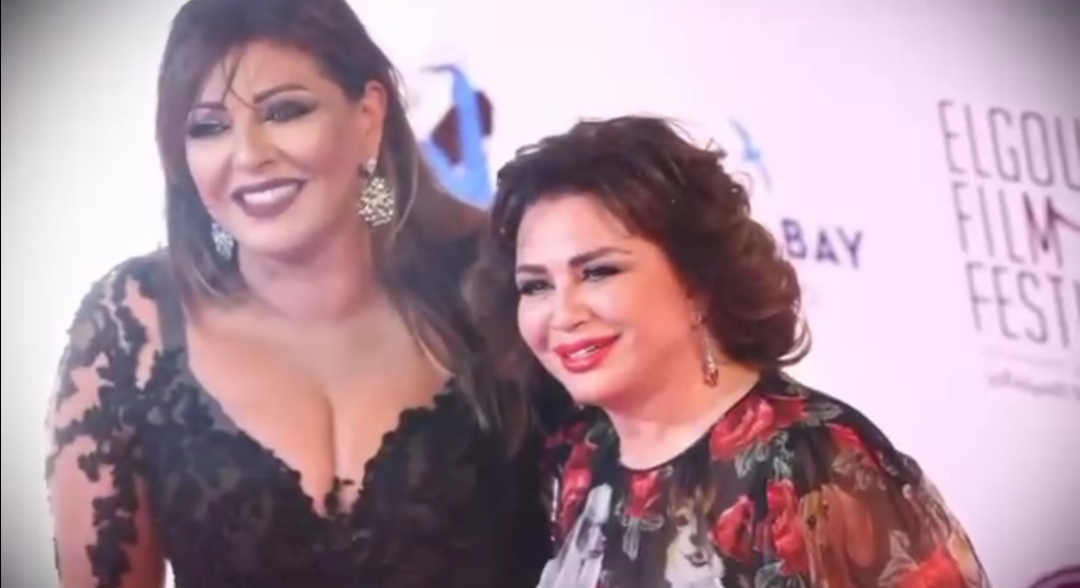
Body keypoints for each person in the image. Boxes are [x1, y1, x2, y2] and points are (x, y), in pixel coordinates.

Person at [43, 0, 551, 586]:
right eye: (209, 127)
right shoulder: (132, 325)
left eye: (284, 111)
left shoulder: (507, 280)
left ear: (368, 116)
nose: (248, 155)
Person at [467, 115, 991, 586]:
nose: (562, 313)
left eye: (599, 272)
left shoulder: (811, 466)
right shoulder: (580, 455)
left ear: (696, 281)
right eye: (536, 285)